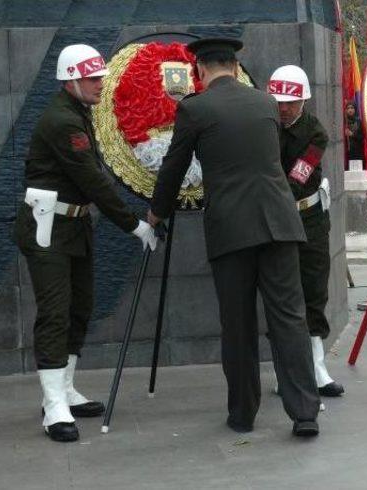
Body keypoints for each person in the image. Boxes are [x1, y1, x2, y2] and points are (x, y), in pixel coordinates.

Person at [148, 38, 320, 437]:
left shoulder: (194, 108)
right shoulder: (265, 103)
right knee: (289, 319)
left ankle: (243, 414)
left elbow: (173, 168)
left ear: (201, 71)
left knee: (238, 323)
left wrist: (156, 213)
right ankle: (305, 412)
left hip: (232, 230)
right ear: (234, 65)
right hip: (279, 223)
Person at [13, 44, 157, 443]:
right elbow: (91, 179)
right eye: (92, 78)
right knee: (56, 313)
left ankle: (66, 389)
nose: (100, 84)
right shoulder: (64, 121)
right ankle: (53, 405)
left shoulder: (79, 113)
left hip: (73, 227)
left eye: (100, 77)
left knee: (80, 308)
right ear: (71, 79)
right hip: (49, 227)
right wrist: (133, 225)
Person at [267, 65, 345, 401]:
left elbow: (299, 176)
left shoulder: (316, 132)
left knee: (314, 289)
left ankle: (316, 366)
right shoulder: (266, 125)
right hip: (273, 218)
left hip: (308, 217)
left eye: (290, 102)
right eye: (279, 102)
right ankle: (285, 369)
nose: (284, 109)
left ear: (303, 101)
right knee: (282, 295)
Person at [344, 101, 364, 166]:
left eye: (352, 108)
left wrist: (352, 134)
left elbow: (362, 137)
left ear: (355, 109)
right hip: (345, 153)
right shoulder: (343, 122)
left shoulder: (358, 122)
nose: (350, 110)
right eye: (348, 108)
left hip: (357, 152)